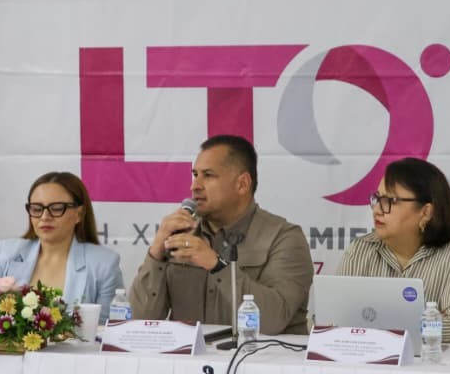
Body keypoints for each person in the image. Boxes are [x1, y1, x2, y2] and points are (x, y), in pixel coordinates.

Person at [129, 135, 313, 334]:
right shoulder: (180, 235)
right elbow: (137, 325)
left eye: (208, 175)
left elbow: (272, 321)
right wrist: (156, 253)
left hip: (259, 353)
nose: (195, 186)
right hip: (189, 355)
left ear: (242, 184)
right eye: (195, 174)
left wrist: (217, 266)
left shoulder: (283, 238)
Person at [337, 158, 450, 342]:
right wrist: (423, 323)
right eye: (377, 199)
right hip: (369, 357)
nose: (377, 210)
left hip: (430, 360)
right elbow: (335, 318)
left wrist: (376, 322)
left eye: (390, 201)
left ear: (426, 212)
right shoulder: (360, 249)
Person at [0, 171, 121, 316]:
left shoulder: (104, 264)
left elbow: (109, 326)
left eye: (56, 208)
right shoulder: (7, 252)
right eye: (37, 209)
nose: (45, 216)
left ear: (79, 214)